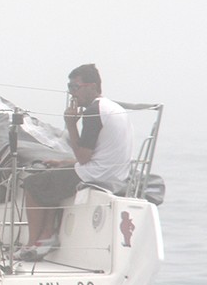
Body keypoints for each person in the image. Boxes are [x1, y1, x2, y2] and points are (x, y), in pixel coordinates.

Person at [18, 63, 133, 261]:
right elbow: (97, 155)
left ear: (92, 86)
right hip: (115, 174)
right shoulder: (113, 108)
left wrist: (71, 124)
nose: (72, 94)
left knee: (33, 184)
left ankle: (31, 243)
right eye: (70, 88)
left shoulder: (92, 112)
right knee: (51, 178)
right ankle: (46, 236)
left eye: (75, 88)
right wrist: (64, 163)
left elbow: (84, 157)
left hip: (98, 175)